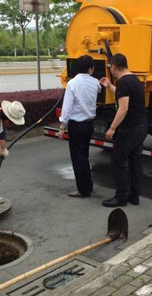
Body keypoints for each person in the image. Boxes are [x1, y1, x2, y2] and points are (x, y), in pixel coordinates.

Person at [100, 53, 147, 208]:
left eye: (110, 68)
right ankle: (134, 196)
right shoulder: (134, 80)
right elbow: (125, 96)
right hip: (140, 127)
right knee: (135, 161)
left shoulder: (123, 82)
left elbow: (123, 108)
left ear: (113, 67)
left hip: (129, 130)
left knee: (118, 161)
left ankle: (120, 197)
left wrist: (112, 128)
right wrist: (110, 86)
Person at [58, 55, 101, 198]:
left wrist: (62, 127)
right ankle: (88, 185)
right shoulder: (95, 83)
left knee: (78, 158)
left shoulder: (72, 84)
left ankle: (83, 190)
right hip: (89, 124)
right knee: (85, 155)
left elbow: (67, 107)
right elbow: (99, 90)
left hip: (76, 125)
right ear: (90, 69)